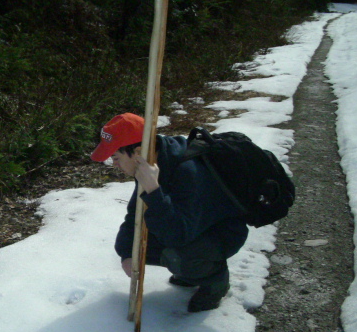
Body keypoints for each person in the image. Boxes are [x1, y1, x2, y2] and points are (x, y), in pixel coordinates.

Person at [91, 113, 248, 312]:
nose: (114, 165)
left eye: (116, 157)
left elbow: (178, 235)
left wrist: (154, 191)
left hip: (223, 233)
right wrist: (126, 253)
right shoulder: (150, 163)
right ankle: (190, 271)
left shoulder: (187, 170)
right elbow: (135, 215)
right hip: (192, 227)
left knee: (177, 255)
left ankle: (215, 280)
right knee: (139, 247)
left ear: (138, 151)